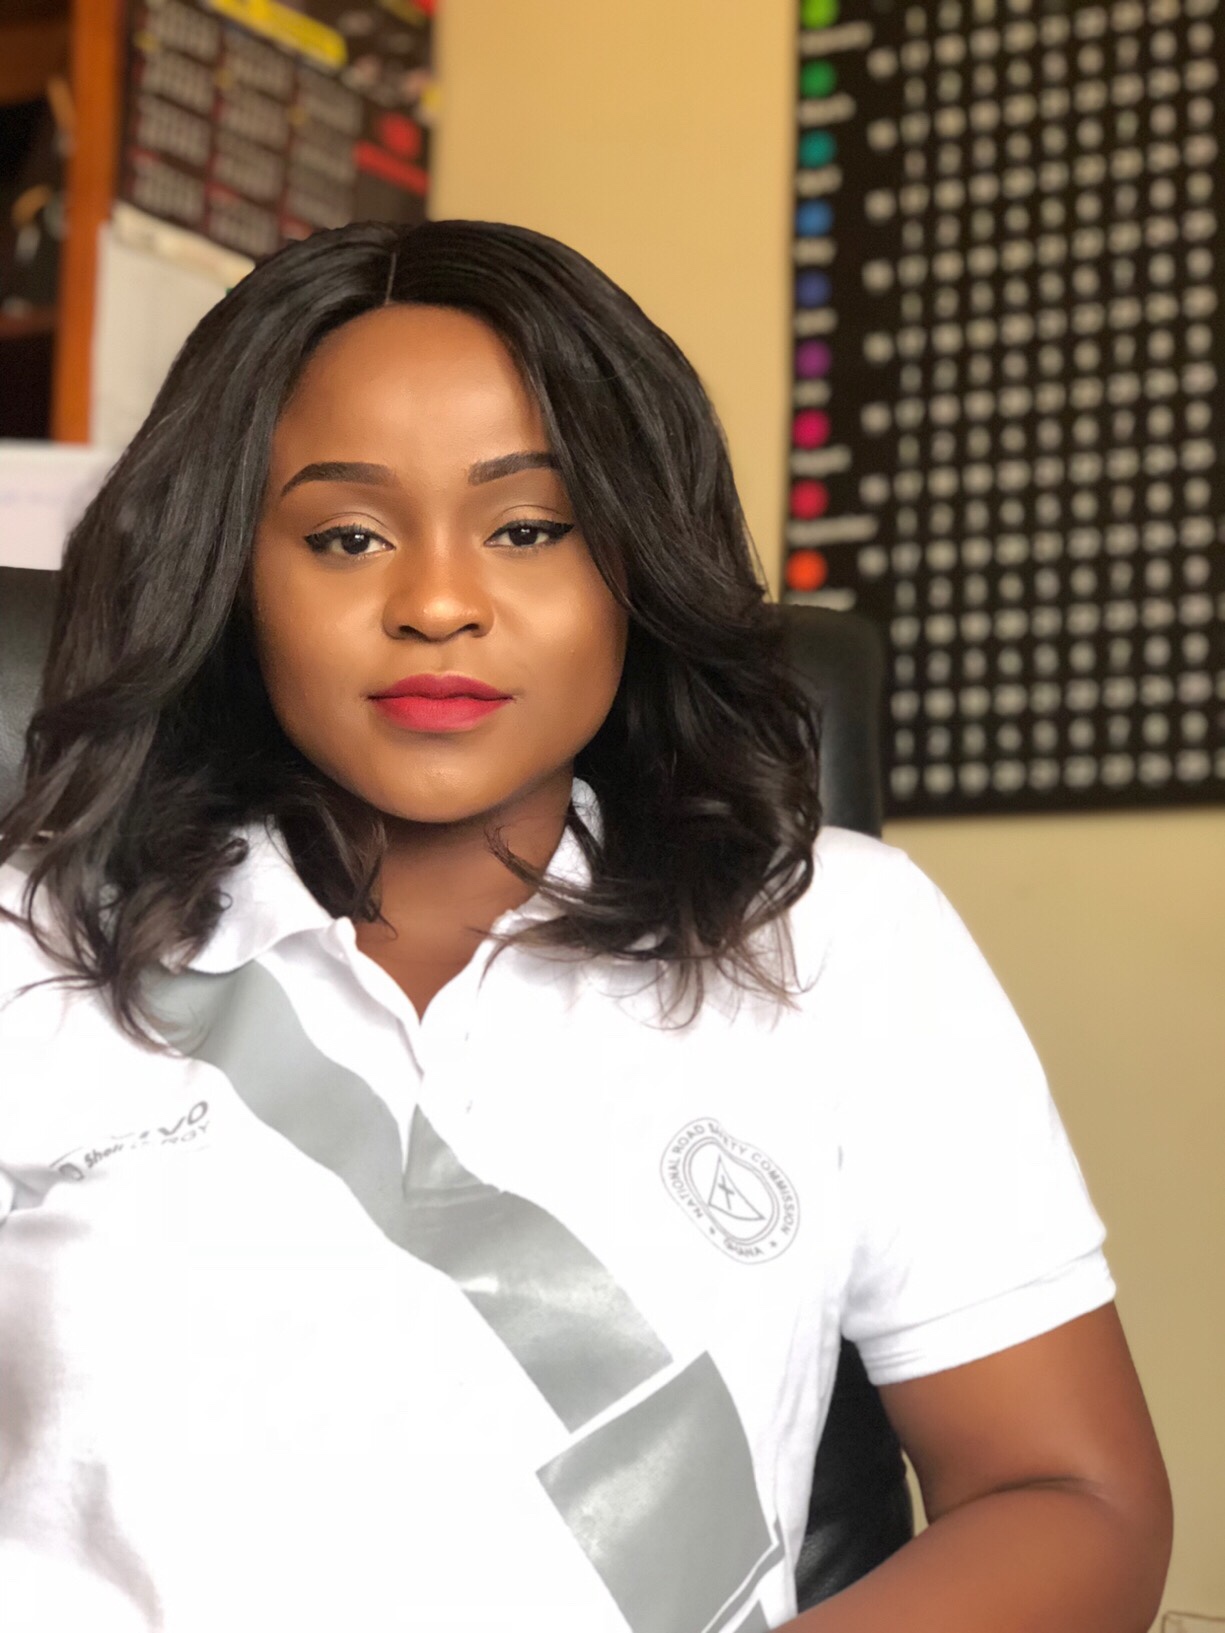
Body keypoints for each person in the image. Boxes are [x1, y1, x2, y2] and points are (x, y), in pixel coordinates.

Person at [0, 219, 1170, 1633]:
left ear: (631, 561)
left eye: (527, 528)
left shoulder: (835, 936)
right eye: (347, 536)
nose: (438, 603)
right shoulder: (30, 941)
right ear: (232, 578)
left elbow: (1067, 1494)